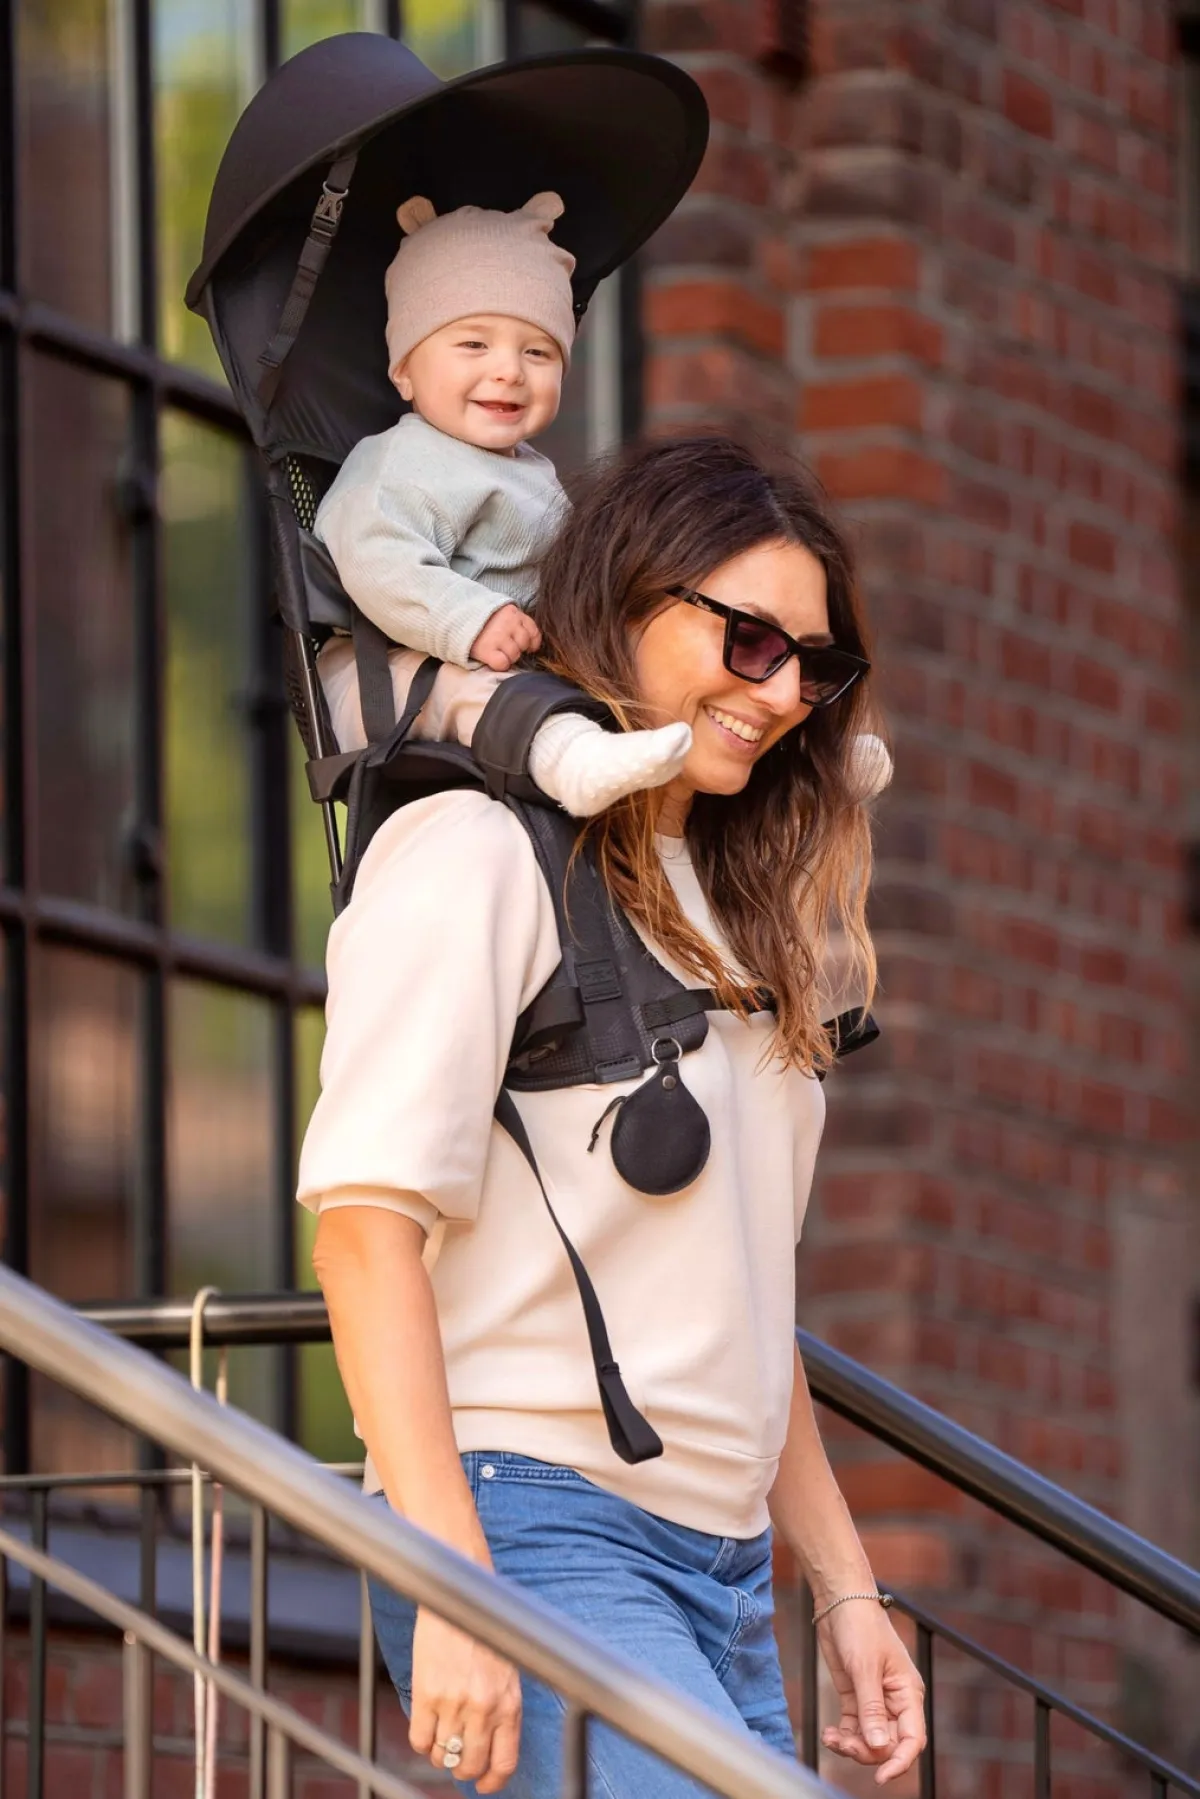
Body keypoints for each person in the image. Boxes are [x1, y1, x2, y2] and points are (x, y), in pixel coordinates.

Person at [300, 433, 925, 1796]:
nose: (782, 693)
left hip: (725, 1573)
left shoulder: (747, 912)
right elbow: (361, 1233)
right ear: (625, 596)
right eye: (748, 640)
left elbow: (743, 1297)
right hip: (537, 1528)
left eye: (815, 666)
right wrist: (453, 1582)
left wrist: (843, 1587)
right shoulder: (474, 852)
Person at [313, 190, 691, 816]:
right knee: (476, 690)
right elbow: (376, 558)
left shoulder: (532, 474)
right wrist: (472, 619)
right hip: (386, 676)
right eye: (473, 345)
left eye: (536, 351)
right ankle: (570, 759)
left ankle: (795, 759)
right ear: (404, 369)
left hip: (513, 679)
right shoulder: (400, 462)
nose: (510, 371)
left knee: (649, 657)